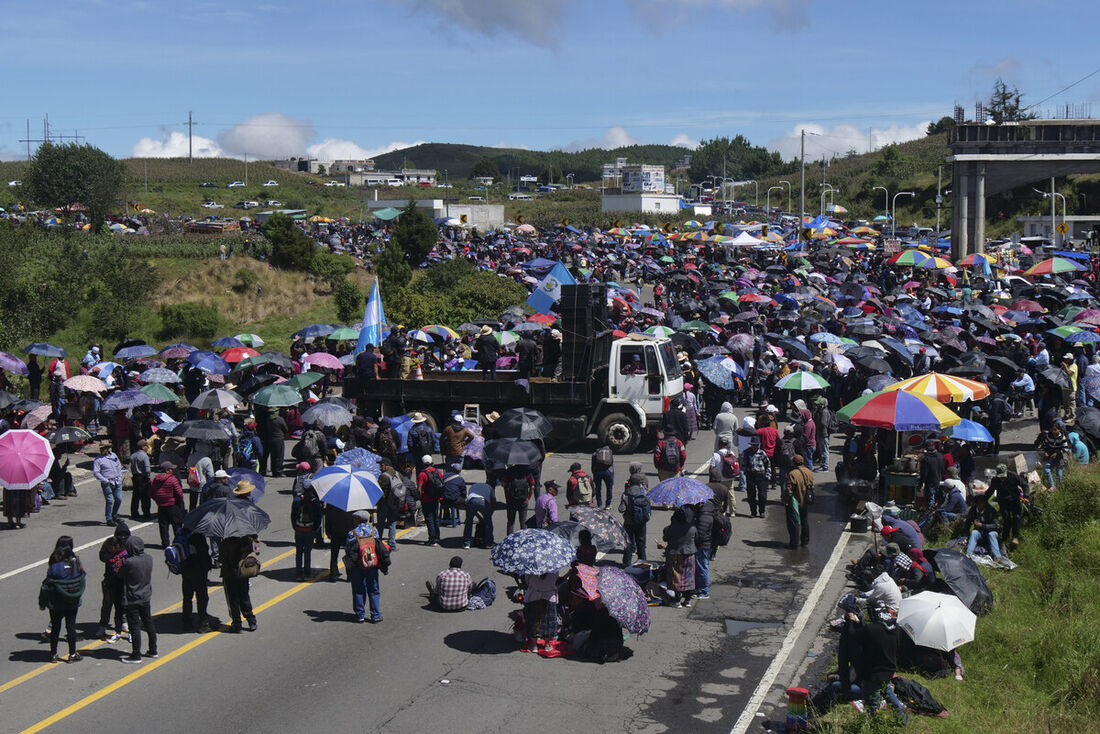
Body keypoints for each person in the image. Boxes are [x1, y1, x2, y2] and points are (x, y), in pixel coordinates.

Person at [39, 536, 86, 663]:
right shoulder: (77, 565)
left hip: (56, 603)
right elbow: (82, 579)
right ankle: (72, 654)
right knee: (71, 627)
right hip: (72, 603)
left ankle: (53, 654)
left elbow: (46, 587)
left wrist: (42, 603)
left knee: (55, 628)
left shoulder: (54, 568)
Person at [118, 535, 157, 663]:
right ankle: (153, 649)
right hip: (146, 596)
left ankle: (136, 654)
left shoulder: (129, 562)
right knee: (148, 622)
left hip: (132, 598)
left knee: (134, 626)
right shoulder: (149, 558)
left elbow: (120, 574)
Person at [344, 520, 391, 623]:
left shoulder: (352, 533)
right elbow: (379, 546)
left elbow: (347, 549)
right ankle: (375, 615)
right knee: (374, 590)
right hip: (372, 565)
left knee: (358, 590)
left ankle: (360, 615)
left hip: (357, 566)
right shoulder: (373, 530)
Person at [95, 521, 130, 642]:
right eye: (120, 534)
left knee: (124, 604)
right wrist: (112, 559)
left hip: (124, 580)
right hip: (110, 579)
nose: (123, 537)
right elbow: (102, 556)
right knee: (107, 604)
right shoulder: (109, 543)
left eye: (125, 534)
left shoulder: (129, 545)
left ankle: (123, 622)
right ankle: (103, 625)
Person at [219, 534, 259, 632]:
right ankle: (251, 620)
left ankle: (237, 623)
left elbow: (222, 558)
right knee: (244, 597)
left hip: (230, 574)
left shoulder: (226, 542)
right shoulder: (247, 540)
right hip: (243, 573)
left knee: (233, 600)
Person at [180, 528, 214, 633]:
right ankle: (203, 622)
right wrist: (208, 566)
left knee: (187, 597)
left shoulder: (182, 534)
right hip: (198, 571)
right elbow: (203, 554)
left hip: (185, 570)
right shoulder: (198, 537)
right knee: (202, 597)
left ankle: (187, 621)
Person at [662, 507, 697, 608]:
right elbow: (697, 539)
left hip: (675, 554)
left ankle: (677, 601)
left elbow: (665, 538)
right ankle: (687, 600)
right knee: (689, 577)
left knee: (676, 577)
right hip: (690, 554)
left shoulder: (670, 528)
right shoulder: (692, 528)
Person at [964, 493, 1009, 567]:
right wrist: (966, 533)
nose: (981, 504)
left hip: (991, 531)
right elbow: (968, 522)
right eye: (979, 502)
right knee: (974, 533)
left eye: (983, 502)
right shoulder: (973, 510)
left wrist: (983, 525)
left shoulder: (991, 510)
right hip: (980, 532)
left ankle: (997, 556)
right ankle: (968, 555)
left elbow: (996, 525)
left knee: (992, 534)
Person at [291, 478, 322, 580]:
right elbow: (318, 517)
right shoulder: (315, 501)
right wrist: (315, 529)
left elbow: (293, 515)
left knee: (299, 551)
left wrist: (295, 526)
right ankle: (307, 573)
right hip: (310, 529)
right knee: (307, 551)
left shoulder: (297, 499)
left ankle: (298, 573)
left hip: (299, 528)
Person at [619, 465, 651, 565]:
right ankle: (643, 563)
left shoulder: (626, 493)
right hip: (641, 522)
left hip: (629, 522)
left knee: (628, 543)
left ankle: (626, 564)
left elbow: (621, 509)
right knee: (641, 544)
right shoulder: (644, 492)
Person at [989, 464, 1027, 547]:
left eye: (1003, 476)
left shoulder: (1013, 476)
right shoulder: (995, 480)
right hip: (1003, 501)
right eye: (1000, 476)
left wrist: (1026, 496)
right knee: (1006, 519)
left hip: (1014, 499)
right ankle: (1005, 538)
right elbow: (990, 491)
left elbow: (1024, 485)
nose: (1002, 478)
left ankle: (1015, 537)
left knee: (1016, 517)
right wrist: (983, 500)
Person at [150, 462, 184, 547]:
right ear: (167, 470)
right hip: (173, 505)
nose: (172, 470)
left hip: (161, 506)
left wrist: (158, 500)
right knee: (177, 525)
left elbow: (150, 493)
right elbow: (179, 493)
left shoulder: (154, 480)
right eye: (171, 469)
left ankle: (165, 543)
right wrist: (179, 501)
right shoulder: (172, 479)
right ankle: (178, 542)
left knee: (163, 526)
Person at [523, 571, 560, 649]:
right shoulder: (554, 568)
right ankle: (547, 644)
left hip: (533, 596)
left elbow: (527, 581)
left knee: (533, 620)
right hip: (549, 597)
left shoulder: (531, 567)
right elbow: (556, 580)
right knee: (548, 622)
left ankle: (534, 645)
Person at [784, 455, 814, 549]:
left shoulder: (792, 474)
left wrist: (786, 500)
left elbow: (789, 490)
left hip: (795, 502)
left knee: (794, 523)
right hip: (806, 500)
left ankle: (794, 543)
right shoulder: (809, 472)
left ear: (794, 463)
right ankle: (805, 540)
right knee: (804, 520)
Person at [93, 442, 124, 526]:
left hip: (117, 481)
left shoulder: (114, 455)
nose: (101, 450)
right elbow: (96, 472)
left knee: (118, 499)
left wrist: (120, 476)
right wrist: (105, 480)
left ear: (107, 449)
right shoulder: (98, 459)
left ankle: (115, 515)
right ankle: (109, 518)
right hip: (107, 482)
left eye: (103, 448)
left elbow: (118, 466)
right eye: (100, 448)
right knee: (109, 500)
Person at [741, 435, 772, 518]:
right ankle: (753, 512)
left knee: (762, 495)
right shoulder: (746, 452)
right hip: (751, 475)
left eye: (756, 445)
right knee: (751, 495)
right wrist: (746, 471)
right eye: (753, 444)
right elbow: (743, 464)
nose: (755, 446)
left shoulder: (762, 453)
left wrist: (768, 475)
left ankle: (762, 511)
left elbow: (767, 464)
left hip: (761, 475)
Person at [417, 457, 445, 546]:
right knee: (435, 517)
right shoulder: (438, 471)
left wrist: (420, 497)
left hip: (426, 499)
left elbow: (419, 488)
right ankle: (437, 537)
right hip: (436, 498)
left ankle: (432, 540)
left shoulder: (422, 474)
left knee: (429, 519)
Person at [693, 497, 717, 600]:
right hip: (706, 543)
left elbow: (701, 533)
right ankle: (699, 588)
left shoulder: (704, 515)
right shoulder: (707, 510)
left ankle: (704, 590)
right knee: (700, 566)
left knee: (702, 566)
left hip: (703, 545)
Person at [463, 481, 495, 549]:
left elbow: (473, 504)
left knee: (469, 522)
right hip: (483, 501)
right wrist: (489, 514)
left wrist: (479, 517)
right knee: (488, 523)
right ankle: (488, 543)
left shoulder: (473, 487)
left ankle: (467, 543)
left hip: (471, 501)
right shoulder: (489, 487)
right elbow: (493, 501)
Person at [503, 467, 534, 534]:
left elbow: (503, 484)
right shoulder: (527, 472)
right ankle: (523, 539)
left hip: (510, 500)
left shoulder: (509, 471)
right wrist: (528, 497)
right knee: (523, 522)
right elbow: (532, 486)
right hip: (523, 500)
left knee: (510, 522)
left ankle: (509, 541)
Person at [129, 438, 152, 520]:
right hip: (143, 477)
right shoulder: (144, 456)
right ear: (143, 447)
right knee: (145, 496)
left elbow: (131, 467)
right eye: (147, 446)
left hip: (135, 477)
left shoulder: (133, 455)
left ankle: (134, 512)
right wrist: (149, 478)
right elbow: (147, 469)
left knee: (135, 496)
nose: (148, 447)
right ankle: (146, 513)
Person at [590, 444, 615, 509]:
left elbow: (592, 466)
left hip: (598, 472)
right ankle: (608, 505)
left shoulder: (595, 453)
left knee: (598, 489)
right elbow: (612, 464)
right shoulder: (610, 452)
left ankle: (599, 505)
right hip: (608, 472)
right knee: (609, 488)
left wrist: (594, 473)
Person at [267, 409, 288, 477]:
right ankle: (279, 471)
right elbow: (285, 429)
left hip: (271, 439)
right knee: (279, 456)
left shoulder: (268, 419)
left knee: (273, 456)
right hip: (279, 439)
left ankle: (274, 471)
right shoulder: (280, 419)